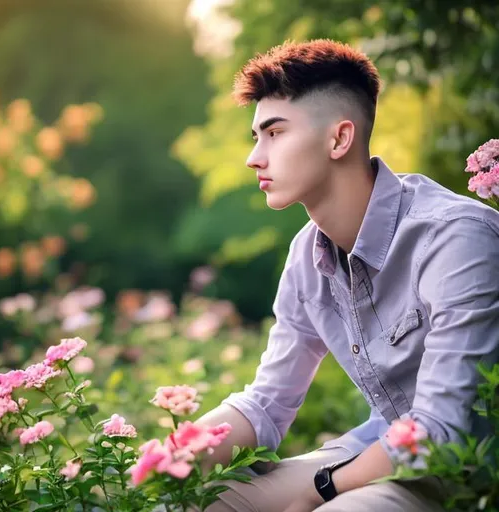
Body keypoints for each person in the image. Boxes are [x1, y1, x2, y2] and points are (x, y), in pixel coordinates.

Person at [194, 38, 499, 511]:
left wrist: (324, 489)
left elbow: (440, 432)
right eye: (257, 137)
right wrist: (176, 457)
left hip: (465, 466)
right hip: (377, 448)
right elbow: (267, 403)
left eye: (274, 133)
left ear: (339, 138)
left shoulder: (456, 239)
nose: (255, 157)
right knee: (201, 500)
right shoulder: (306, 255)